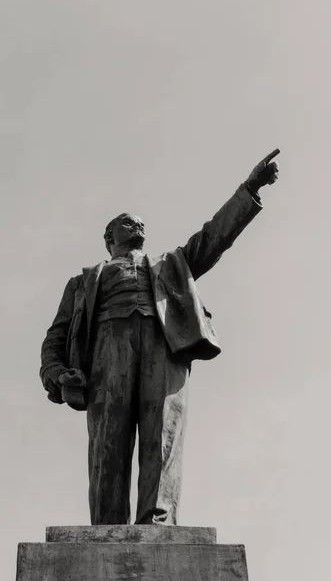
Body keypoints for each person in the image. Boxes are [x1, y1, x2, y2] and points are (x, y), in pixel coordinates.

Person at [40, 153, 280, 526]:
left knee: (162, 435)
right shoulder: (83, 282)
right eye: (125, 221)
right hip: (108, 349)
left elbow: (213, 237)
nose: (136, 223)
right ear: (109, 238)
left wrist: (249, 189)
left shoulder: (170, 265)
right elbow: (55, 337)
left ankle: (157, 521)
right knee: (109, 442)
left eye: (139, 221)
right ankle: (108, 526)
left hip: (162, 346)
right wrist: (57, 374)